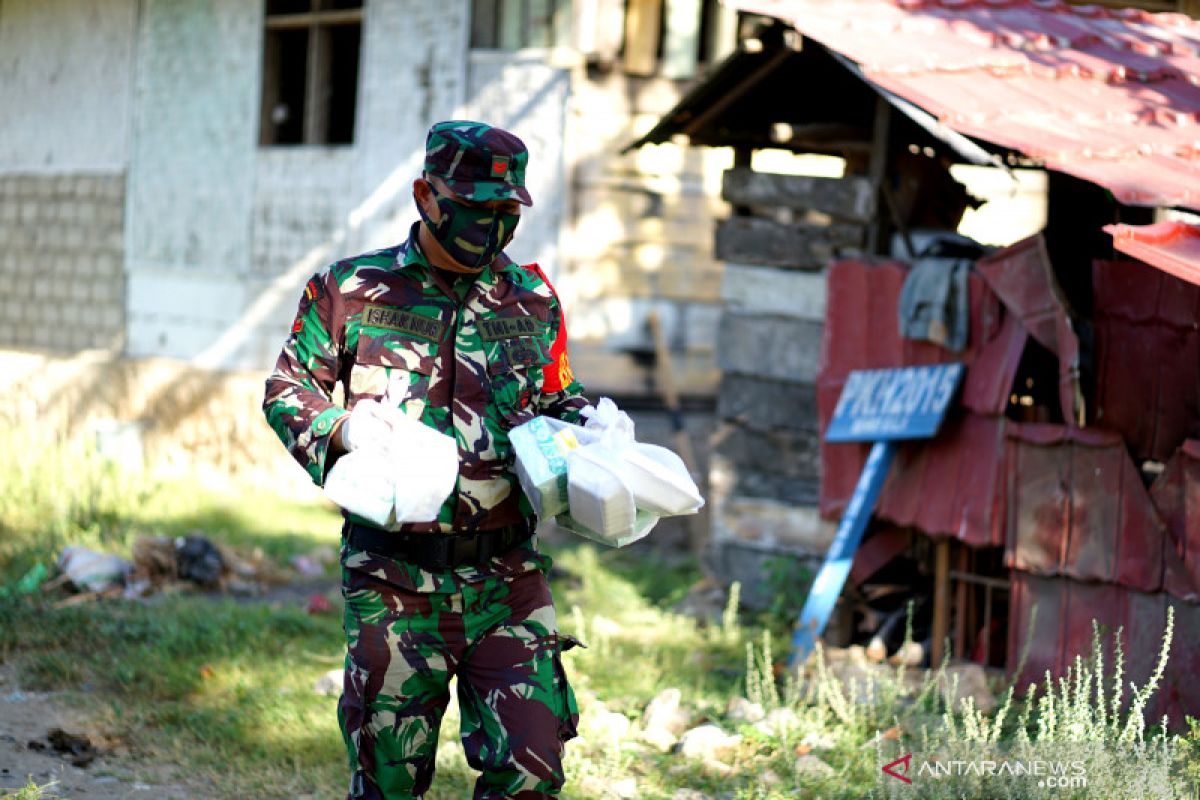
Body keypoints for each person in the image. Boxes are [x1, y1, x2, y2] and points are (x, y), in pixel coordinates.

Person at [262, 121, 588, 799]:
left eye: (505, 213)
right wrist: (344, 430)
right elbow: (288, 389)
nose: (491, 227)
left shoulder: (533, 300)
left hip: (509, 579)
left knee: (532, 766)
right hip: (394, 580)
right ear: (427, 196)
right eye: (474, 209)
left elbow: (558, 397)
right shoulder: (349, 289)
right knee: (390, 778)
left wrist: (595, 436)